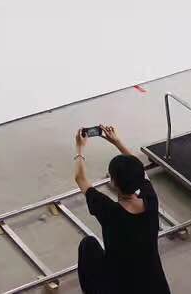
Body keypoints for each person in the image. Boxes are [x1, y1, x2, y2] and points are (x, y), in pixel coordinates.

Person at [72, 126, 171, 294]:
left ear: (113, 182)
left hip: (120, 288)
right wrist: (117, 142)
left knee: (88, 246)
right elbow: (140, 171)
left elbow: (80, 178)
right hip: (155, 287)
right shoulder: (151, 201)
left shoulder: (109, 211)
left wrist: (79, 148)